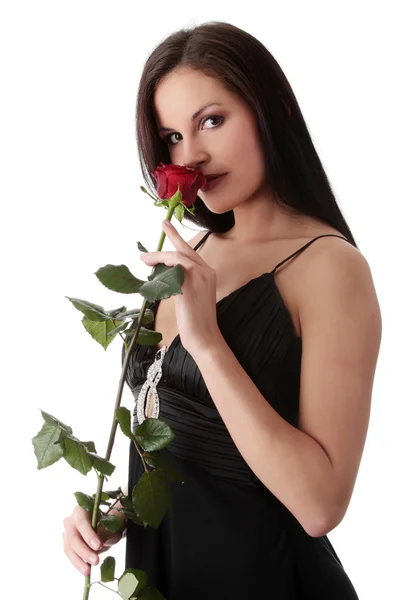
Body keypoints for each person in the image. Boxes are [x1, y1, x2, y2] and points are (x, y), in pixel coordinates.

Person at [63, 21, 382, 599]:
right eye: (172, 138)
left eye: (211, 120)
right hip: (167, 575)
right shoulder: (188, 260)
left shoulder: (331, 268)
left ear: (274, 108)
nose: (194, 155)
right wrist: (113, 513)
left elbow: (318, 506)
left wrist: (207, 343)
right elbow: (186, 442)